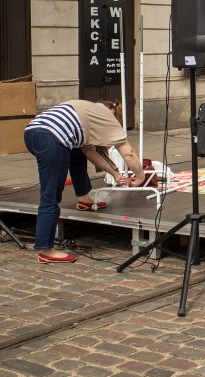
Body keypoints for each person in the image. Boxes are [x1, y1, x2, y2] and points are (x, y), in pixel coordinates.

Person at [24, 100, 145, 263]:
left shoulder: (88, 110)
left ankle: (84, 199)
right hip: (52, 138)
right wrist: (141, 176)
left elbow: (88, 151)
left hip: (32, 132)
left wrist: (115, 174)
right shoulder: (109, 118)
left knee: (77, 152)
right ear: (113, 113)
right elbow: (129, 154)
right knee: (51, 194)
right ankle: (46, 250)